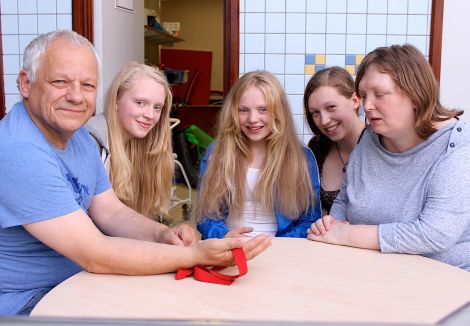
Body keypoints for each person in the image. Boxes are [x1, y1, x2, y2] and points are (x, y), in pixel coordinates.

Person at [0, 30, 272, 316]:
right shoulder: (19, 149)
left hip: (75, 281)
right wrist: (192, 255)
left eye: (88, 85)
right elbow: (94, 253)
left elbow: (111, 212)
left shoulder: (76, 135)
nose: (77, 96)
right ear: (26, 84)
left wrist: (163, 234)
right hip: (30, 300)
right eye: (60, 82)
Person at [307, 44, 470, 271]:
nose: (367, 106)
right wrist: (331, 225)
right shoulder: (369, 139)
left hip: (447, 284)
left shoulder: (459, 148)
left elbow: (435, 234)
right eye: (363, 96)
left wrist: (347, 234)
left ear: (415, 94)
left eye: (379, 95)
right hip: (375, 276)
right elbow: (344, 201)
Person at [196, 70, 321, 239]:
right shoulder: (217, 152)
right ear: (233, 112)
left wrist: (278, 246)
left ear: (278, 112)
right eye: (243, 110)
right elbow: (205, 214)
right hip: (228, 249)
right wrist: (225, 236)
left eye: (263, 109)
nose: (253, 119)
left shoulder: (302, 158)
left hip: (281, 251)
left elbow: (309, 220)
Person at [86, 62, 173, 219]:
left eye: (157, 107)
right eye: (140, 103)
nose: (150, 115)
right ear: (117, 99)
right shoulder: (91, 144)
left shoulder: (144, 146)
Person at [303, 67, 365, 215]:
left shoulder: (382, 144)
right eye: (315, 113)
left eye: (331, 107)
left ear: (355, 101)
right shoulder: (317, 147)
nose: (324, 121)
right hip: (323, 236)